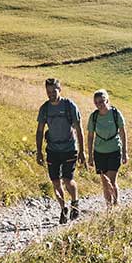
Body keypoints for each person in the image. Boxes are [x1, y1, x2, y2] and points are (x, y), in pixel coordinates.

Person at [35, 77, 86, 224]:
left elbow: (79, 128)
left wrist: (82, 151)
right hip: (52, 149)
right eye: (48, 91)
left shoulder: (69, 105)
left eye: (54, 91)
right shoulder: (45, 108)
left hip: (70, 148)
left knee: (67, 180)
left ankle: (75, 202)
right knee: (55, 181)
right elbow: (39, 131)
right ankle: (63, 208)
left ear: (60, 90)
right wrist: (39, 151)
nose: (51, 94)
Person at [85, 88, 127, 208]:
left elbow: (123, 133)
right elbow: (90, 136)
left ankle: (115, 203)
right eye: (97, 102)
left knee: (111, 180)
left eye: (102, 101)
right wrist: (90, 156)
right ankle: (109, 207)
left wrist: (124, 152)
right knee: (104, 182)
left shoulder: (115, 113)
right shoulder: (94, 117)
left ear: (107, 100)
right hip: (99, 152)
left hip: (114, 150)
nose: (99, 105)